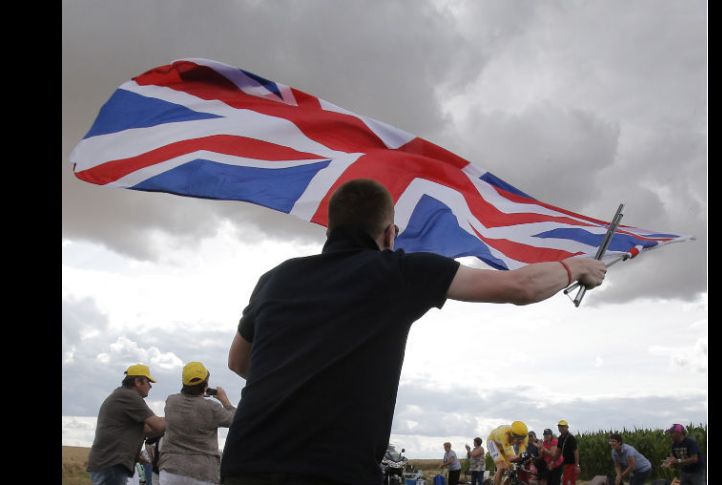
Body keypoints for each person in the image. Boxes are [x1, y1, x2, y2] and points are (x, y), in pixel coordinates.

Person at [221, 179, 607, 485]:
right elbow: (520, 287)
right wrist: (576, 268)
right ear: (390, 234)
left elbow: (238, 361)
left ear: (329, 229)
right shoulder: (400, 272)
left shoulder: (276, 279)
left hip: (245, 464)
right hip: (334, 470)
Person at [87, 364, 166, 485]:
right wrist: (180, 418)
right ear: (138, 381)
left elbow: (147, 430)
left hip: (107, 464)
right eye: (148, 382)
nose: (150, 386)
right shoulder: (130, 397)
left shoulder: (122, 395)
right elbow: (158, 426)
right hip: (112, 465)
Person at [159, 361, 236, 485]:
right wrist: (225, 402)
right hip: (202, 471)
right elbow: (235, 421)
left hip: (171, 469)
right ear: (205, 384)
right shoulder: (212, 408)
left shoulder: (171, 401)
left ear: (184, 382)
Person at [487, 421, 529, 485]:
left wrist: (523, 458)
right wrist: (520, 457)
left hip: (503, 445)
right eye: (519, 438)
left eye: (522, 438)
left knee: (511, 467)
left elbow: (522, 455)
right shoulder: (505, 434)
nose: (520, 440)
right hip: (492, 442)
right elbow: (510, 458)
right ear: (513, 434)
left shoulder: (525, 437)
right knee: (502, 466)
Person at [556, 419, 580, 485]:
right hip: (564, 464)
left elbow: (576, 451)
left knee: (569, 481)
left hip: (571, 464)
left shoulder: (571, 438)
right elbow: (558, 451)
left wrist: (577, 465)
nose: (561, 428)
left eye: (563, 426)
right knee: (565, 481)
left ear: (567, 427)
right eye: (560, 426)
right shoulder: (560, 438)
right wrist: (553, 461)